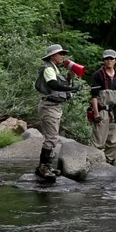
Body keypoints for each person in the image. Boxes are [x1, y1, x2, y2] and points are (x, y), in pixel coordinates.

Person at [34, 44, 81, 182]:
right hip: (49, 106)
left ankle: (47, 166)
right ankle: (43, 168)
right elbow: (53, 85)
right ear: (52, 56)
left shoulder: (53, 69)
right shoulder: (48, 69)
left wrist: (70, 75)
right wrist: (71, 89)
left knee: (53, 137)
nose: (62, 56)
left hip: (54, 107)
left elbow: (60, 84)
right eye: (60, 54)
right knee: (51, 138)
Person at [90, 49, 116, 164]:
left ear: (115, 60)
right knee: (98, 139)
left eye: (111, 59)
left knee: (114, 141)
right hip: (102, 111)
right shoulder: (98, 75)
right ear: (103, 60)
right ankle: (93, 162)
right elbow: (94, 96)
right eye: (106, 59)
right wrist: (96, 114)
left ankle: (109, 162)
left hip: (115, 112)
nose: (109, 61)